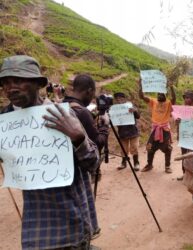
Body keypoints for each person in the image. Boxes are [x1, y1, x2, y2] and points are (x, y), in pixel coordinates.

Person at [0, 55, 99, 249]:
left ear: (38, 84)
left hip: (72, 217)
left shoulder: (61, 114)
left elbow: (93, 163)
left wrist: (78, 138)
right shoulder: (5, 121)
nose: (11, 88)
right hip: (36, 223)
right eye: (5, 83)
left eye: (19, 80)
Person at [62, 74, 110, 240]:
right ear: (89, 91)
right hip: (79, 170)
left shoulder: (61, 105)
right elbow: (97, 143)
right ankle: (87, 236)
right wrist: (105, 127)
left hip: (62, 169)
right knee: (83, 208)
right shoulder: (82, 112)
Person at [138, 78, 176, 173]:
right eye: (158, 94)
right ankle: (149, 165)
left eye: (161, 94)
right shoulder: (153, 101)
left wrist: (171, 87)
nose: (159, 95)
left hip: (165, 129)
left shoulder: (168, 103)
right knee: (150, 147)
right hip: (155, 129)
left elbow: (174, 99)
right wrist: (141, 85)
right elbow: (141, 96)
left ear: (165, 95)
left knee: (167, 148)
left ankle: (167, 166)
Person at [113, 92, 141, 171]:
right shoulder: (115, 109)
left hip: (133, 132)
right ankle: (123, 163)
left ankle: (136, 163)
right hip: (122, 132)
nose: (119, 100)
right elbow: (113, 119)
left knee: (134, 148)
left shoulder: (130, 106)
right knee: (123, 149)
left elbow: (138, 116)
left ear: (124, 99)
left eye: (121, 98)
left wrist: (134, 111)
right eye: (117, 99)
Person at [176, 90, 193, 181]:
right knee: (184, 155)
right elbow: (178, 122)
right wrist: (178, 131)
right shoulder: (181, 109)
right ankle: (184, 174)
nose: (185, 100)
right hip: (184, 136)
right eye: (184, 98)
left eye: (187, 98)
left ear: (192, 99)